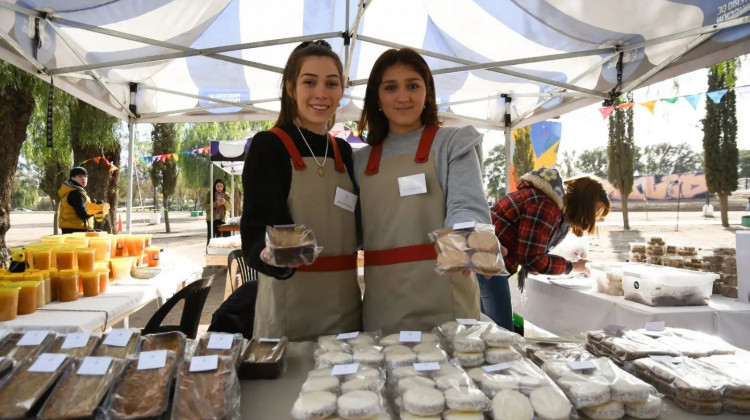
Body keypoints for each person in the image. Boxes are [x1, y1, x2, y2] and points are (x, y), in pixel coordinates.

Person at [353, 48, 491, 334]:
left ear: (427, 92)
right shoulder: (359, 161)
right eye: (391, 88)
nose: (403, 97)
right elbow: (350, 231)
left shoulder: (452, 142)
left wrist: (464, 244)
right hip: (384, 302)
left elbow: (468, 205)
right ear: (376, 97)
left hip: (446, 295)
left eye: (413, 86)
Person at [239, 40, 360, 341]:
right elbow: (255, 229)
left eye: (332, 83)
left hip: (345, 303)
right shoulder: (270, 146)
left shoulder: (343, 151)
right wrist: (268, 255)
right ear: (291, 89)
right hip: (290, 303)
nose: (321, 93)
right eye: (310, 82)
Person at [481, 167, 610, 330]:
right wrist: (572, 266)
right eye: (594, 211)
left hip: (484, 262)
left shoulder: (543, 200)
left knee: (485, 328)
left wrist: (536, 262)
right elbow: (532, 258)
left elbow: (528, 251)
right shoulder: (545, 205)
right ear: (583, 204)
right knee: (501, 333)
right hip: (489, 267)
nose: (592, 217)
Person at [58, 166, 96, 233]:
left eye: (85, 176)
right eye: (80, 176)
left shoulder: (71, 191)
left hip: (70, 229)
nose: (84, 179)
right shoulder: (76, 193)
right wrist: (97, 209)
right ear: (72, 178)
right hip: (75, 231)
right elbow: (82, 214)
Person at [205, 178, 231, 243]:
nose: (219, 188)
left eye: (221, 186)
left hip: (222, 220)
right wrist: (216, 204)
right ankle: (209, 252)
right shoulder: (210, 194)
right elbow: (205, 206)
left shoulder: (226, 195)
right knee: (210, 239)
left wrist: (225, 202)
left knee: (222, 239)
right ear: (215, 186)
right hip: (211, 219)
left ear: (223, 186)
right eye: (218, 186)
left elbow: (229, 208)